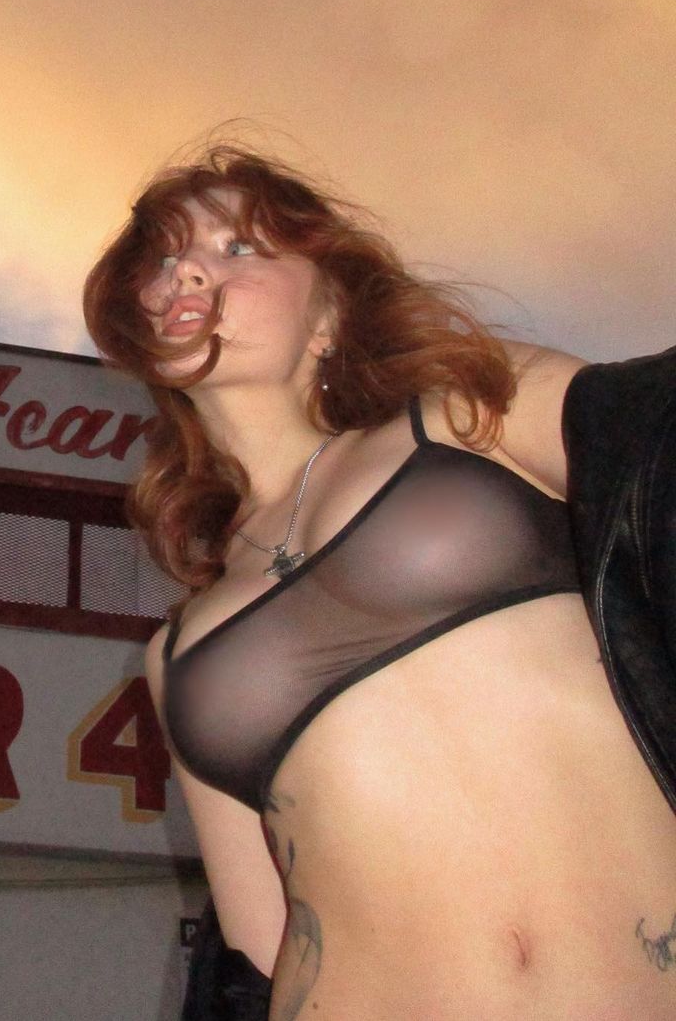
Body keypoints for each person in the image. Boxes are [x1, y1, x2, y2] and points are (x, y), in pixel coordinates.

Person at [83, 144, 676, 1020]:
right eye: (165, 259)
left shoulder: (473, 410)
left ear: (328, 314)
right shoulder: (177, 653)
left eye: (237, 247)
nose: (187, 273)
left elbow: (657, 445)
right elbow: (257, 949)